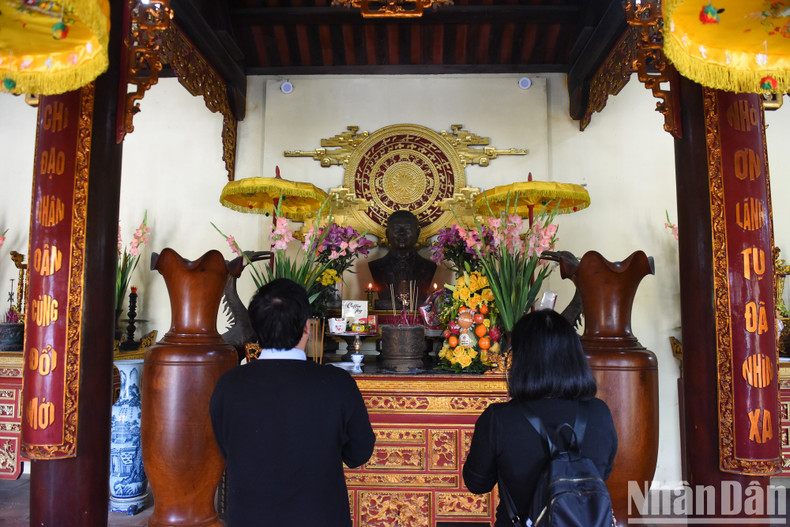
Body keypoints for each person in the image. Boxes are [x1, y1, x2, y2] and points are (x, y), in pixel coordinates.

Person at [209, 278, 376, 527]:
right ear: (306, 327)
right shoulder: (337, 384)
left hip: (250, 517)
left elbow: (227, 450)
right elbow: (359, 453)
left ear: (255, 327)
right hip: (320, 517)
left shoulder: (228, 385)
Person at [462, 309, 618, 526]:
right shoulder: (599, 412)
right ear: (575, 357)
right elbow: (602, 473)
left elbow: (476, 484)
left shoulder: (499, 419)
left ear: (521, 361)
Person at [368, 209, 437, 310]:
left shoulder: (428, 267)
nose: (402, 234)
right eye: (396, 229)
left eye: (407, 229)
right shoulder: (377, 266)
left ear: (417, 234)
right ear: (387, 234)